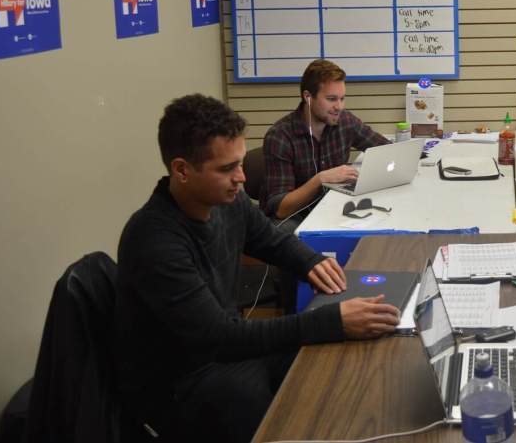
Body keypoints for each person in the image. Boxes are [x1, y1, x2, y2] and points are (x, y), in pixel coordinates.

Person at [115, 94, 401, 443]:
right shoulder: (154, 241)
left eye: (240, 164)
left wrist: (311, 261)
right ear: (182, 170)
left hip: (221, 352)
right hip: (181, 384)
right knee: (293, 379)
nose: (241, 178)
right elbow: (221, 338)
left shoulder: (225, 201)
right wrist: (332, 320)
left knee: (332, 358)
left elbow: (270, 239)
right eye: (227, 169)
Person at [260, 58, 390, 221]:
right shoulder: (280, 137)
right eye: (331, 99)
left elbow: (386, 149)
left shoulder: (345, 122)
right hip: (293, 218)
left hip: (331, 208)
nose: (339, 107)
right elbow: (281, 209)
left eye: (342, 99)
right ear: (308, 97)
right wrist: (319, 180)